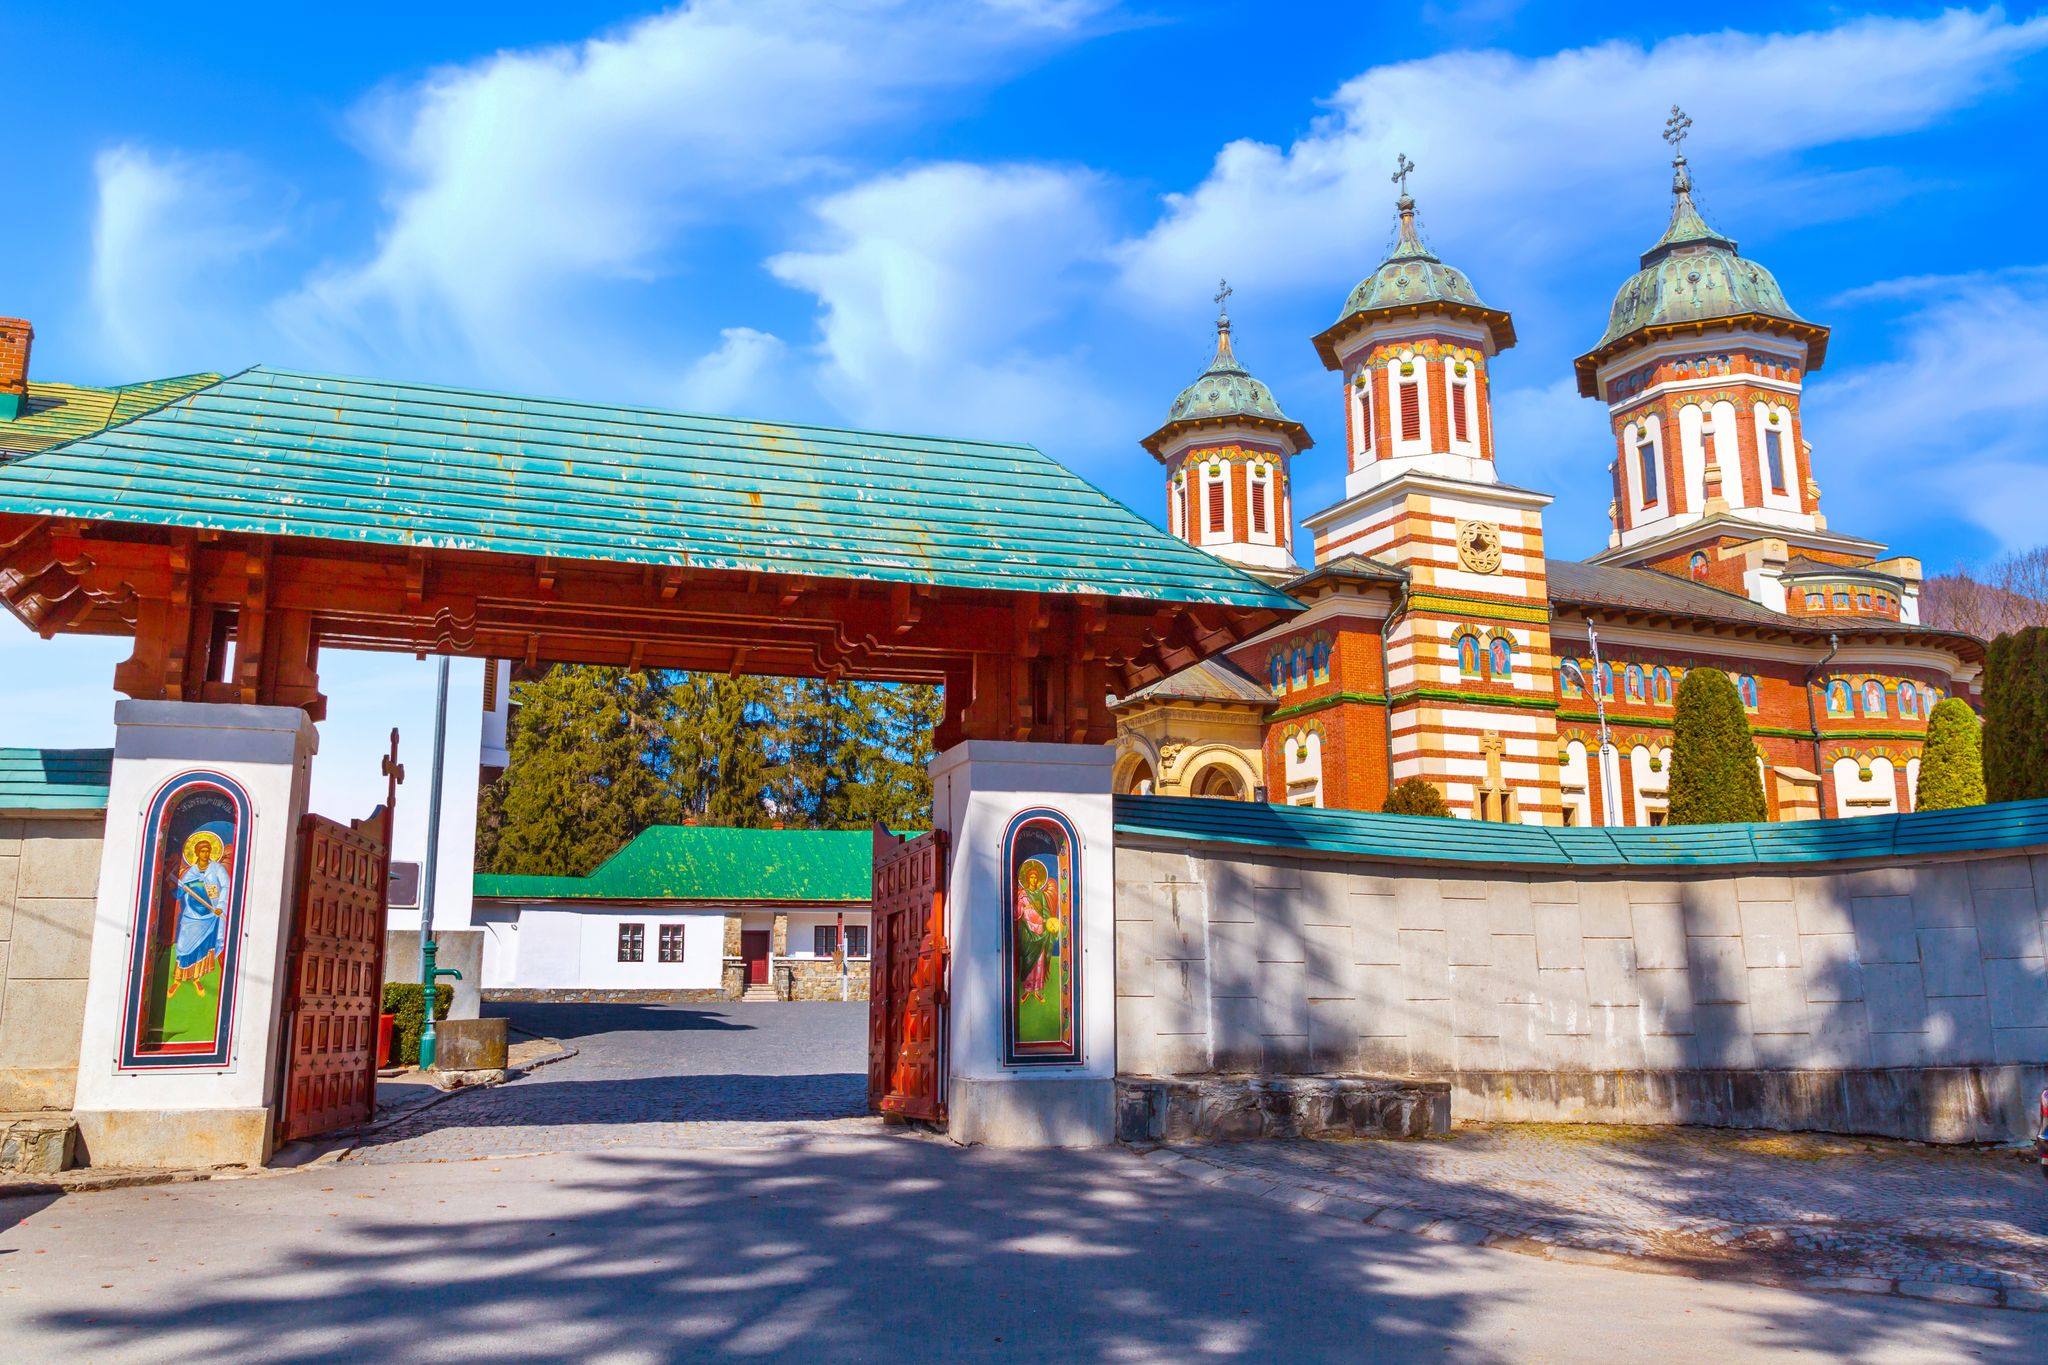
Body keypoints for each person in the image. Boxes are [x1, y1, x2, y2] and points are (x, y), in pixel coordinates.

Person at [168, 831, 230, 999]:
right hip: (191, 917)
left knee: (203, 948)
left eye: (207, 850)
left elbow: (226, 886)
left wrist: (221, 906)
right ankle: (178, 980)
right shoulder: (191, 872)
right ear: (196, 853)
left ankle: (196, 979)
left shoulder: (217, 869)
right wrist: (173, 886)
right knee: (183, 947)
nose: (205, 853)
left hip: (209, 916)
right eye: (202, 851)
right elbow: (180, 893)